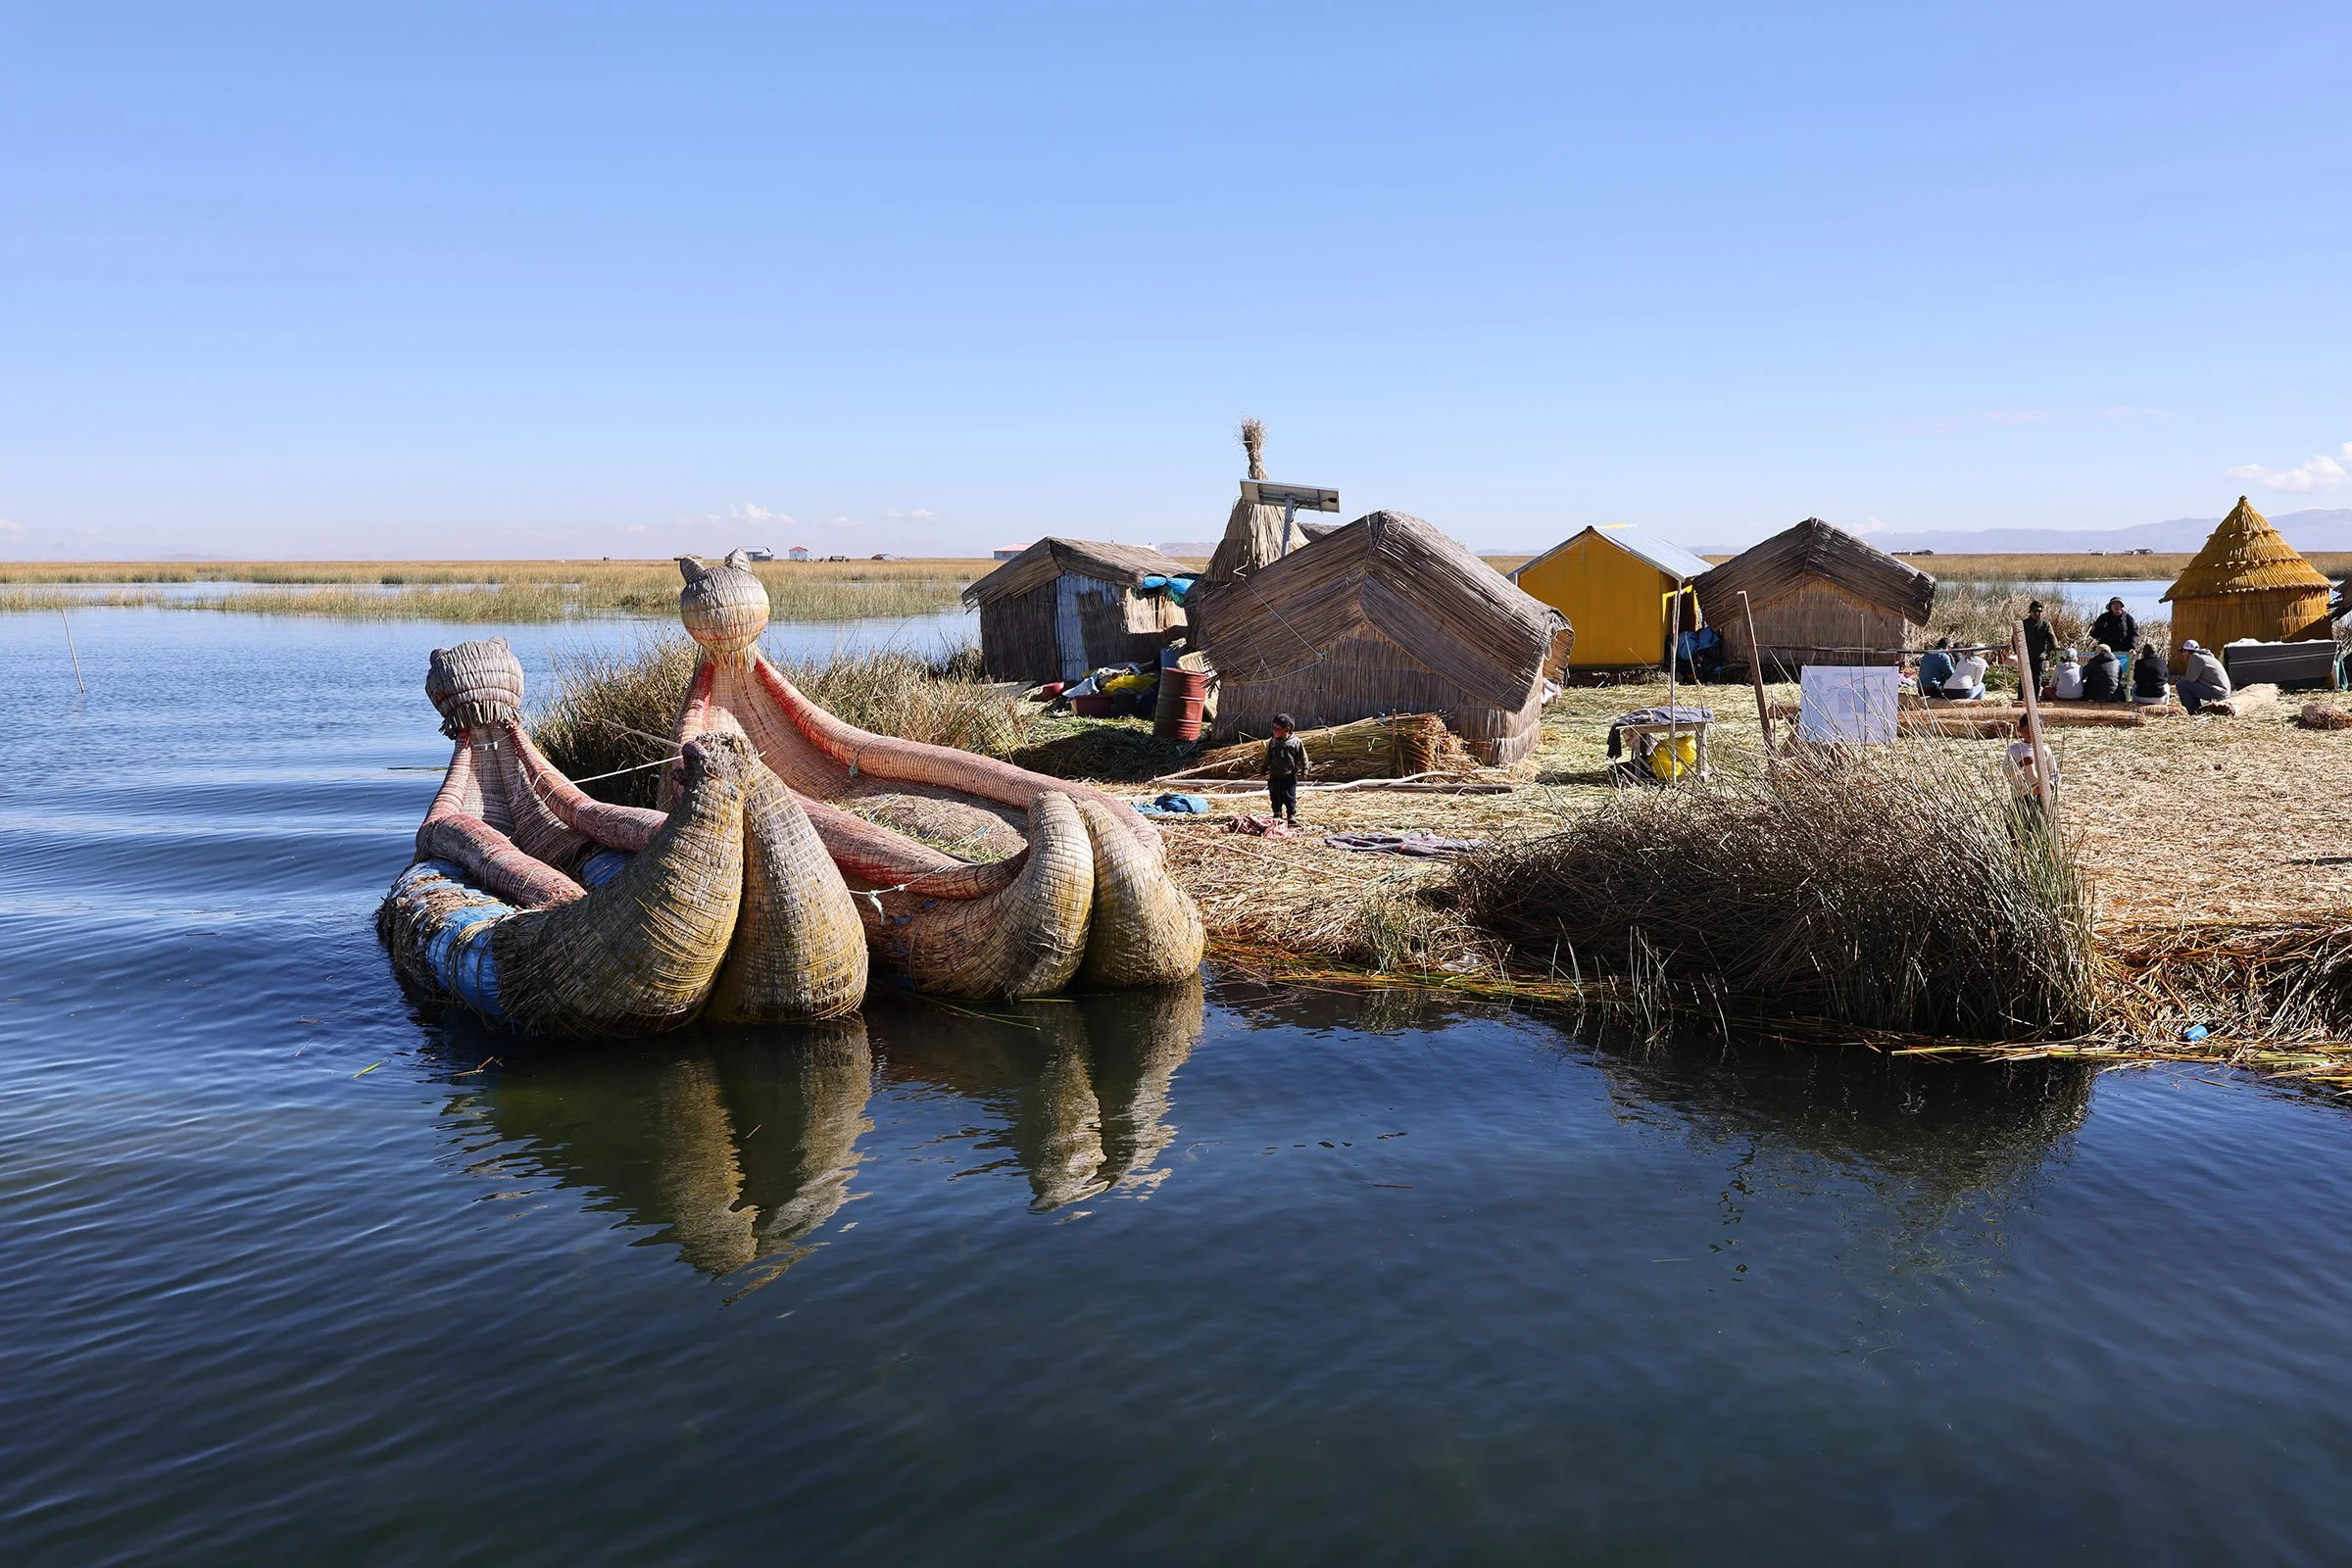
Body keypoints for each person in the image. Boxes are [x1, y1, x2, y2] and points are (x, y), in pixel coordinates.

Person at [1264, 712, 1307, 825]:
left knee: (1290, 797)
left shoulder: (1295, 742)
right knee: (1275, 797)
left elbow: (1303, 757)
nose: (1273, 730)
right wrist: (1263, 768)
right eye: (1273, 727)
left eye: (1276, 728)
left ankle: (1291, 815)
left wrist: (1305, 769)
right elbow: (1268, 756)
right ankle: (1277, 814)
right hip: (1274, 776)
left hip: (1289, 777)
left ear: (1286, 729)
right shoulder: (1273, 742)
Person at [2177, 639, 2232, 713]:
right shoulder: (2205, 656)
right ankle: (2198, 709)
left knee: (2181, 685)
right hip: (2223, 692)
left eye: (2182, 651)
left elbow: (2191, 679)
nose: (2182, 654)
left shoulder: (2195, 657)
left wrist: (2177, 678)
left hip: (2218, 693)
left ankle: (2193, 712)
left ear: (2187, 651)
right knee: (2186, 684)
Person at [2022, 601, 2059, 691]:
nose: (2037, 613)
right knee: (2023, 680)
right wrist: (2017, 653)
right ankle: (2020, 699)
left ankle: (2036, 700)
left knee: (2037, 680)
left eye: (2040, 611)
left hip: (2039, 657)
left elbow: (2052, 638)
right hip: (2025, 657)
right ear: (2030, 612)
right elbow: (2015, 639)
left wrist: (2057, 649)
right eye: (2035, 611)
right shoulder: (2024, 624)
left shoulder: (2045, 624)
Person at [2132, 640, 2170, 705]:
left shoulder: (2139, 662)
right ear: (2155, 652)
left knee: (2134, 685)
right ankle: (2165, 705)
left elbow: (2135, 678)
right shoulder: (2162, 662)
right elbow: (2166, 677)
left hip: (2140, 697)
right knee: (2166, 685)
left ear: (2144, 652)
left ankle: (2134, 704)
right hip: (2159, 698)